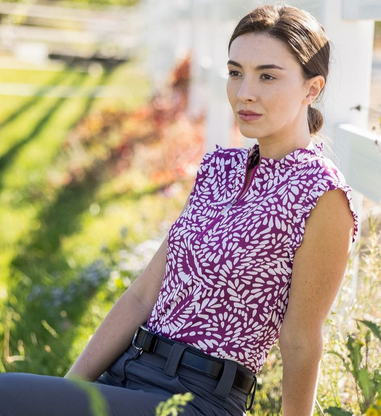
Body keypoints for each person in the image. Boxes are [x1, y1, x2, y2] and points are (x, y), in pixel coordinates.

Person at [0, 4, 358, 416]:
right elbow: (141, 297)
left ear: (312, 89)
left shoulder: (323, 195)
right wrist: (66, 393)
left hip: (197, 398)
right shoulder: (219, 168)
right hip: (127, 372)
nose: (245, 92)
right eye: (236, 72)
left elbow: (300, 339)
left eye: (268, 76)